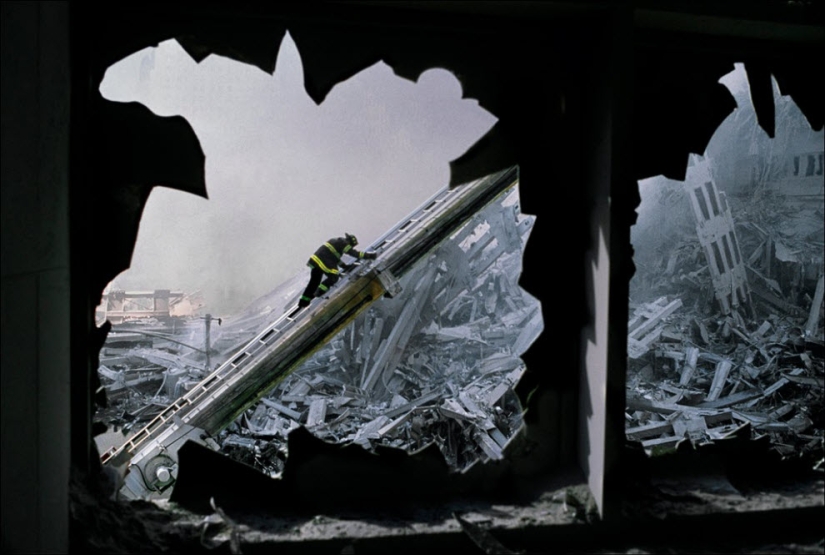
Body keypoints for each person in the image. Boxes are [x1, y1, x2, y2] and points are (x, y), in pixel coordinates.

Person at [296, 233, 377, 309]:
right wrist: (369, 255)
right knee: (333, 277)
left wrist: (345, 266)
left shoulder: (336, 241)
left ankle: (303, 302)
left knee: (314, 282)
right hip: (322, 260)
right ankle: (318, 293)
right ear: (350, 242)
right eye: (352, 246)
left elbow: (335, 258)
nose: (351, 247)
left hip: (314, 260)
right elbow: (355, 254)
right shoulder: (344, 244)